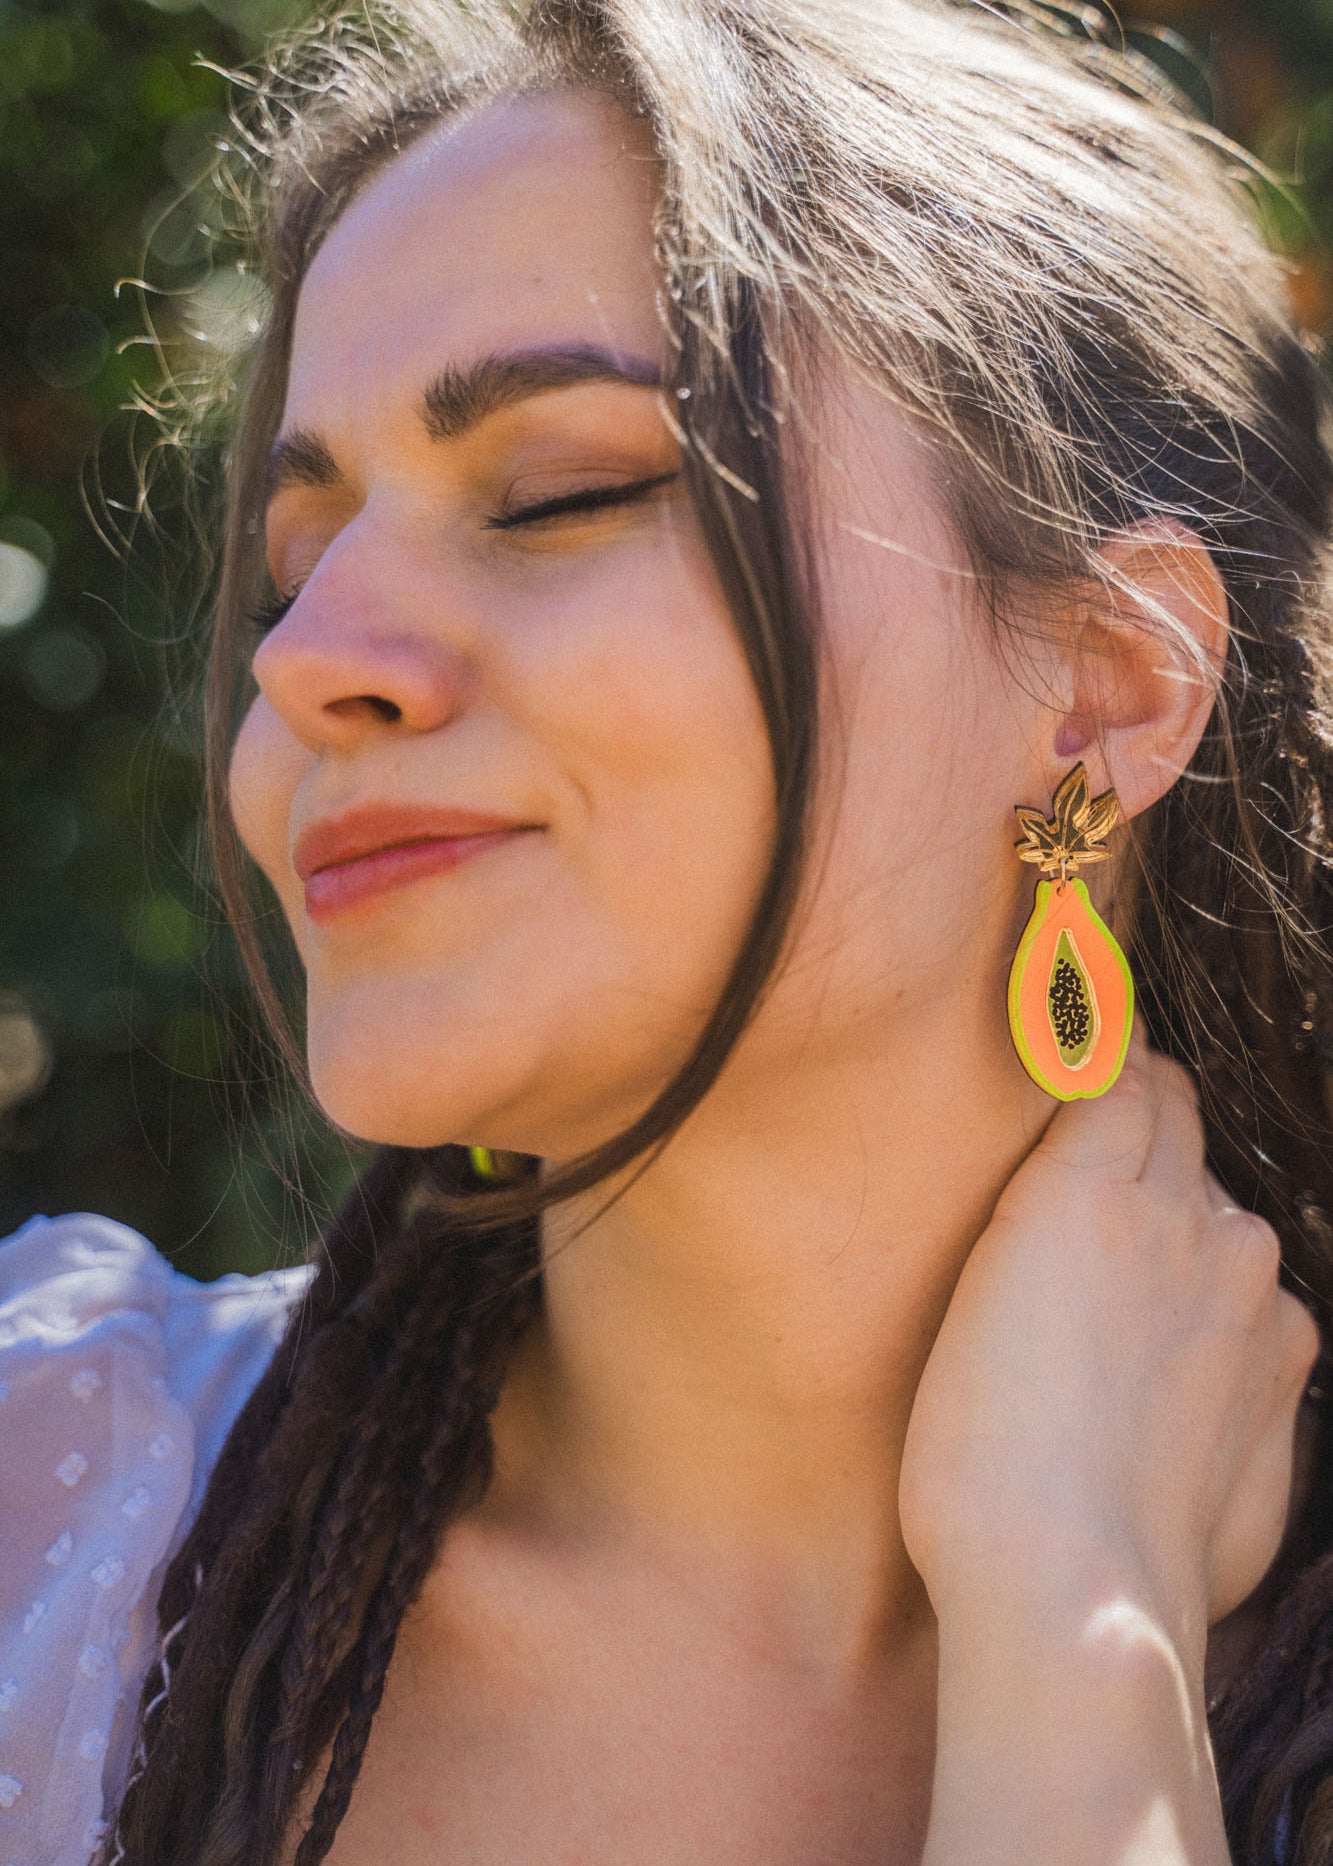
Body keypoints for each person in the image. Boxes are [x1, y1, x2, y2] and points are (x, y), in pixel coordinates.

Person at [1, 0, 1331, 1860]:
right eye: (297, 569)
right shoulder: (50, 1499)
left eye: (558, 493)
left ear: (1106, 692)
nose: (304, 667)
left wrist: (1074, 1610)